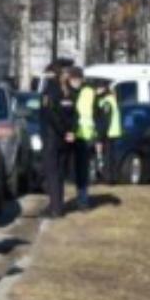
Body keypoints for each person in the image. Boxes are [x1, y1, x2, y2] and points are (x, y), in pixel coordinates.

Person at [37, 58, 74, 219]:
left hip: (53, 137)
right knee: (58, 173)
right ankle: (56, 205)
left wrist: (63, 130)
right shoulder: (69, 90)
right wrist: (69, 131)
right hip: (63, 138)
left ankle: (55, 208)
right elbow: (71, 114)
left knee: (52, 172)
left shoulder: (51, 88)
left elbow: (50, 114)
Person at [68, 65, 95, 209]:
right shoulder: (67, 91)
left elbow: (96, 112)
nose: (75, 81)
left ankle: (83, 200)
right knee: (69, 169)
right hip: (69, 135)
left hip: (84, 136)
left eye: (77, 78)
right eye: (73, 79)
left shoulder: (89, 92)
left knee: (82, 171)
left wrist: (98, 133)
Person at [92, 79, 122, 183]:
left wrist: (100, 136)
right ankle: (111, 177)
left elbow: (105, 119)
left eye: (97, 88)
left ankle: (109, 178)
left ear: (103, 89)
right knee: (110, 156)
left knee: (108, 157)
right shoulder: (110, 99)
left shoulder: (106, 101)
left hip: (108, 132)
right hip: (112, 132)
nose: (96, 91)